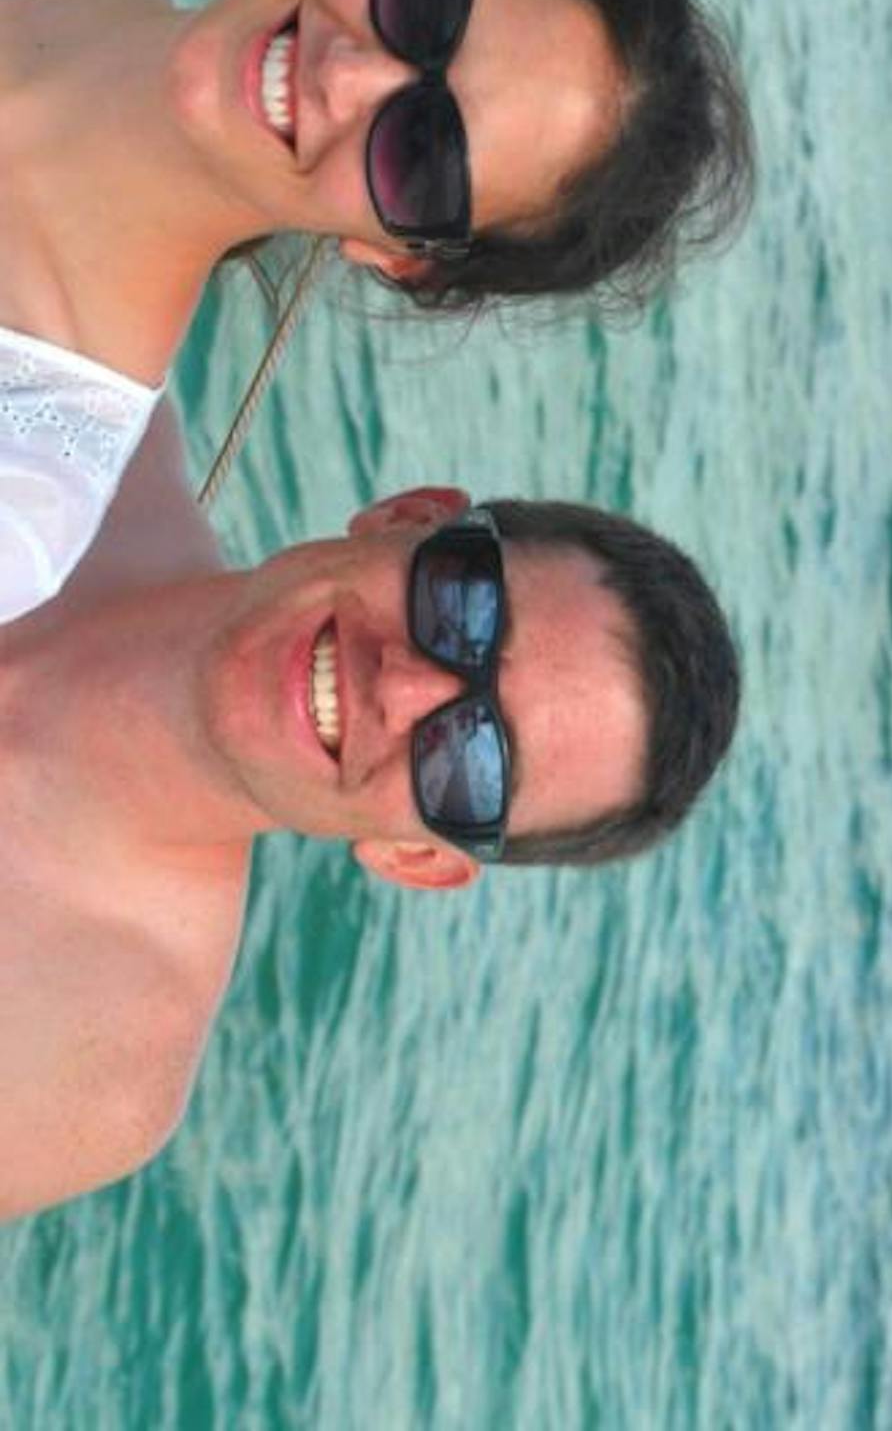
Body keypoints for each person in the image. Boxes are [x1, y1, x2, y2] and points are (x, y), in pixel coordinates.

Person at [0, 0, 756, 619]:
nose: (348, 75)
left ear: (402, 255)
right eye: (427, 2)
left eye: (424, 152)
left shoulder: (20, 500)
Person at [0, 401, 743, 1222]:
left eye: (474, 764)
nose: (401, 687)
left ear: (416, 858)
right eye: (461, 608)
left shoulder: (85, 1064)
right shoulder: (80, 416)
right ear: (407, 517)